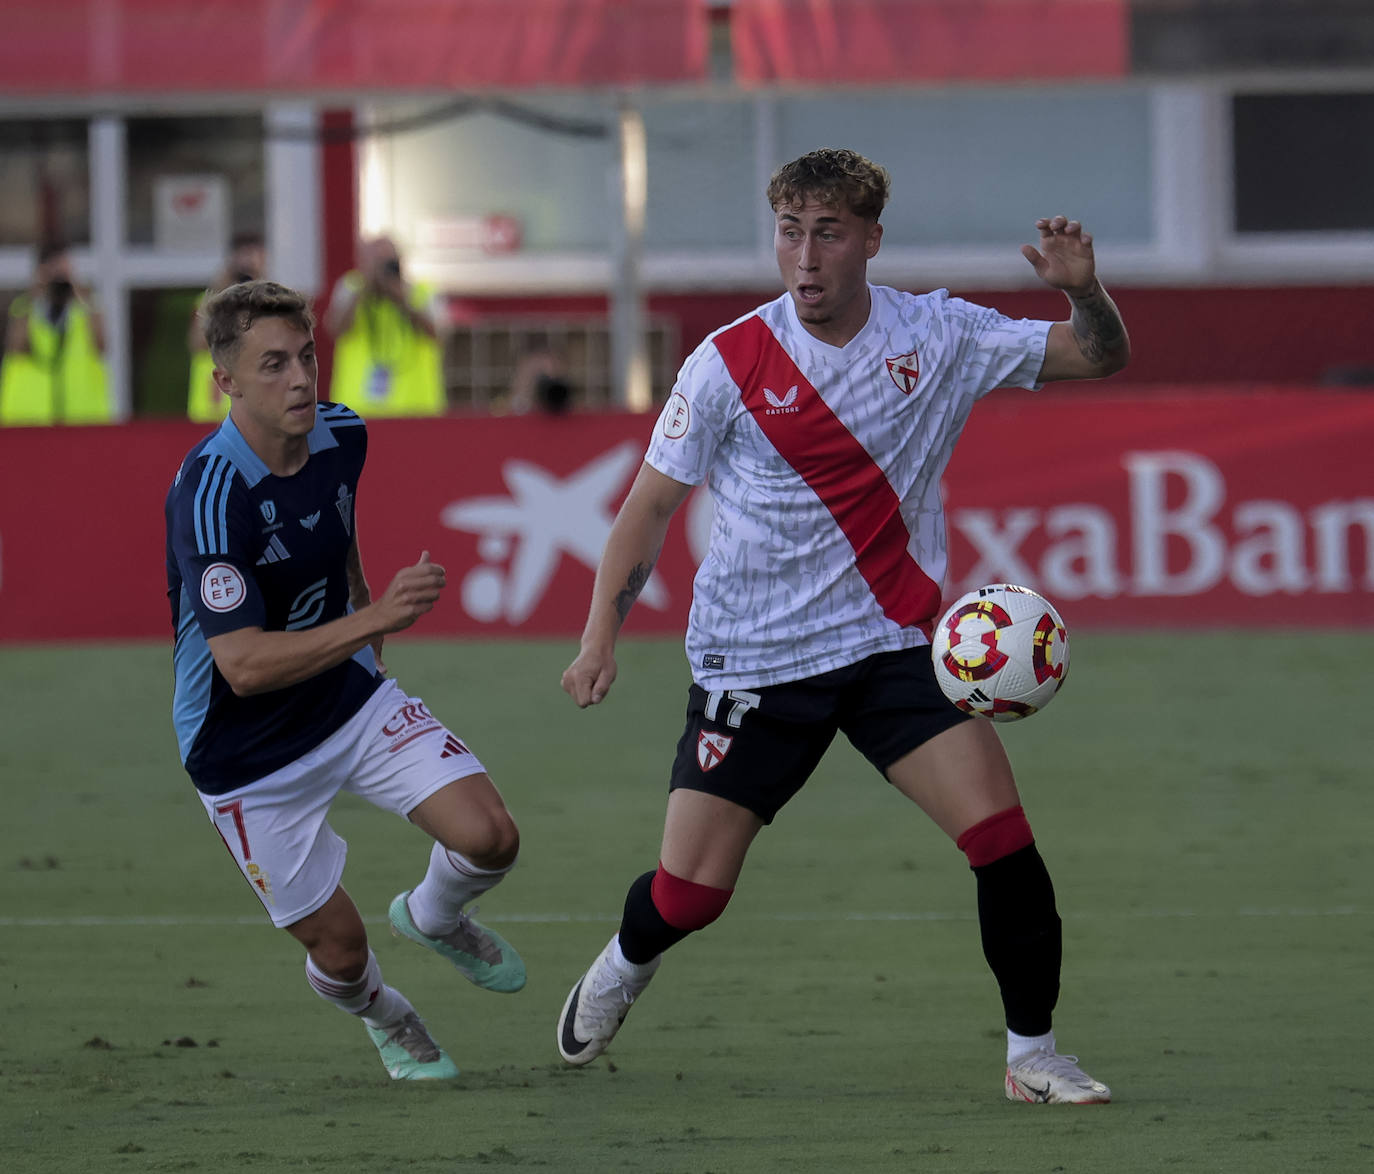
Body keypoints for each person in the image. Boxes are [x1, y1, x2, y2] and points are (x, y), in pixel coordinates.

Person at [555, 148, 1130, 1105]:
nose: (806, 257)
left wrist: (1088, 292)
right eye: (790, 232)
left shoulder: (938, 333)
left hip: (894, 645)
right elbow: (647, 509)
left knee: (1005, 845)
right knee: (691, 895)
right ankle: (624, 959)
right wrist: (597, 638)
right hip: (756, 659)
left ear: (869, 239)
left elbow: (1099, 356)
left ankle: (1032, 1056)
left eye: (828, 233)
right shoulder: (730, 362)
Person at [165, 280, 524, 1080]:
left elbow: (334, 523)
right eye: (273, 365)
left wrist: (360, 603)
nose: (300, 379)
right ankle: (388, 1017)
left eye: (306, 356)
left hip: (343, 697)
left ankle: (433, 915)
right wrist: (378, 618)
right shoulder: (209, 495)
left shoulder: (343, 434)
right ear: (226, 381)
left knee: (491, 838)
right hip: (243, 751)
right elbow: (245, 666)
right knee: (342, 948)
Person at [323, 236, 447, 417]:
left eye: (387, 262)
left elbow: (438, 335)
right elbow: (335, 330)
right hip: (356, 414)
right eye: (375, 262)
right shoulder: (350, 288)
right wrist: (364, 288)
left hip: (416, 411)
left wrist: (403, 299)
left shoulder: (420, 292)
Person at [0, 242, 111, 425]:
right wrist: (38, 289)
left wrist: (77, 290)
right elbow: (16, 347)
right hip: (30, 419)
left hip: (81, 419)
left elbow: (103, 344)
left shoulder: (84, 311)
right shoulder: (25, 308)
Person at [187, 232, 267, 423]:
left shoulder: (267, 304)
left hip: (251, 406)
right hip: (209, 407)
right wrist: (217, 292)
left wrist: (259, 283)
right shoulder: (208, 303)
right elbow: (197, 344)